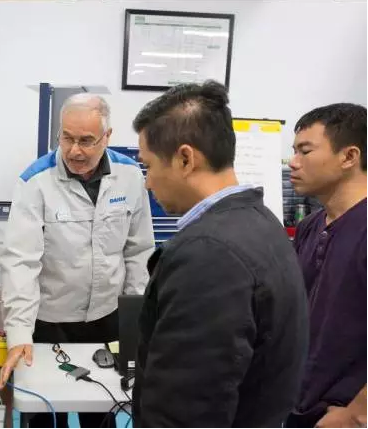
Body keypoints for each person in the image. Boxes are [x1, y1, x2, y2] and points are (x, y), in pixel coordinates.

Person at [131, 80, 309, 427]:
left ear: (185, 159)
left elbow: (186, 412)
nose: (148, 182)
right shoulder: (261, 221)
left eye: (148, 166)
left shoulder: (208, 254)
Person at [0, 93, 154, 427]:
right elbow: (20, 263)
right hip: (49, 321)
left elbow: (139, 251)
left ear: (107, 137)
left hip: (107, 318)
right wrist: (19, 333)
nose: (74, 151)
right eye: (67, 138)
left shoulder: (130, 176)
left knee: (102, 409)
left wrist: (135, 320)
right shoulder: (35, 182)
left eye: (86, 140)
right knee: (42, 412)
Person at [287, 103, 367, 428]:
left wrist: (356, 414)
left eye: (305, 151)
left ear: (349, 156)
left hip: (342, 414)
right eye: (294, 151)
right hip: (300, 406)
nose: (293, 162)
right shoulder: (311, 225)